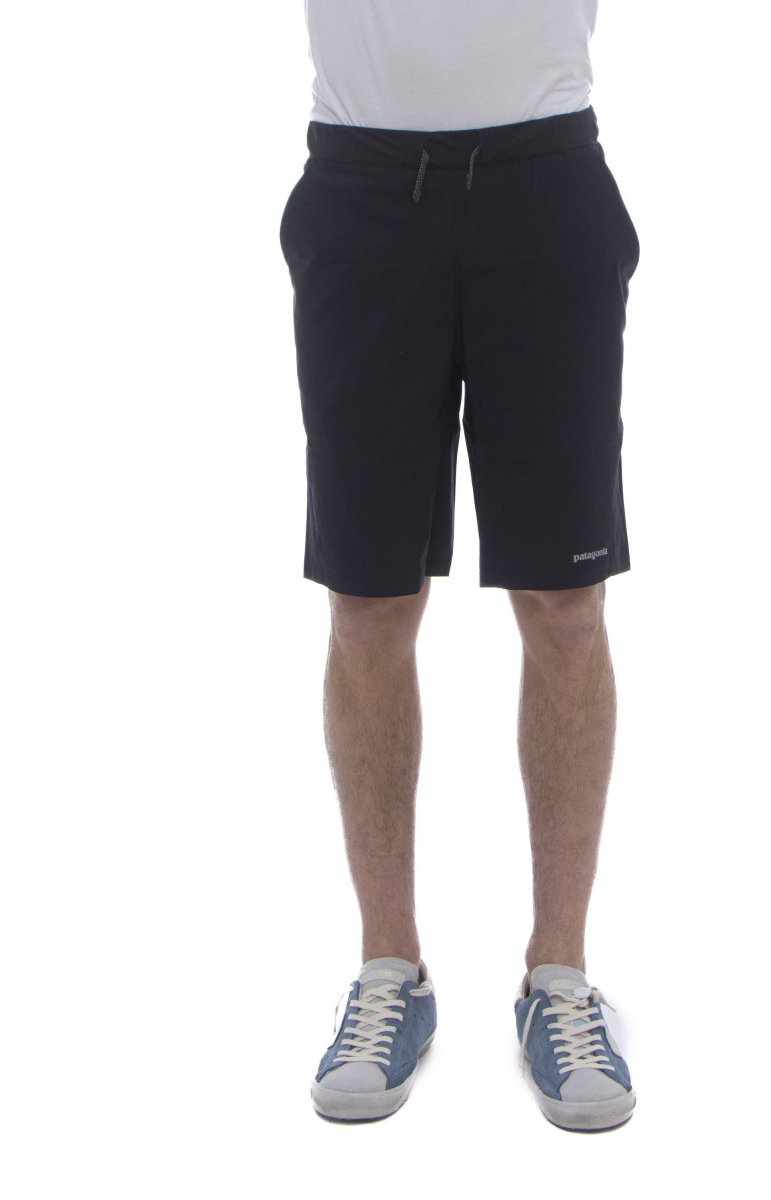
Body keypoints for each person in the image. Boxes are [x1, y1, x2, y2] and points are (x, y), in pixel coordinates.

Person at [279, 0, 640, 1132]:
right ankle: (391, 969)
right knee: (368, 601)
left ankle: (560, 978)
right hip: (364, 187)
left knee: (566, 600)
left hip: (544, 178)